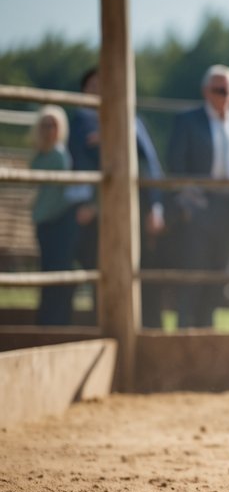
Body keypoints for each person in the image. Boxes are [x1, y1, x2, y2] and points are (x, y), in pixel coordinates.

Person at [67, 68, 167, 326]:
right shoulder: (81, 120)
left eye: (106, 84)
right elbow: (87, 164)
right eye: (93, 85)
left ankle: (143, 326)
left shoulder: (134, 120)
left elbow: (150, 165)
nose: (100, 90)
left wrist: (155, 206)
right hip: (99, 211)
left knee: (140, 268)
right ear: (84, 90)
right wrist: (94, 204)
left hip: (136, 207)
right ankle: (105, 326)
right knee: (101, 269)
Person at [165, 64, 229, 329]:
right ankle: (183, 336)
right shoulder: (187, 120)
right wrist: (188, 203)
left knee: (219, 278)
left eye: (228, 90)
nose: (223, 95)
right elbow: (175, 164)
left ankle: (206, 336)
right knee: (193, 278)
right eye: (218, 89)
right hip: (199, 206)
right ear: (206, 91)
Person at [28, 106, 76, 325]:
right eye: (45, 125)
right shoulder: (42, 154)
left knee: (55, 272)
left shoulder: (57, 155)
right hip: (45, 221)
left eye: (53, 125)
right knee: (50, 271)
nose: (49, 130)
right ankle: (49, 320)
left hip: (56, 221)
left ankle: (53, 321)